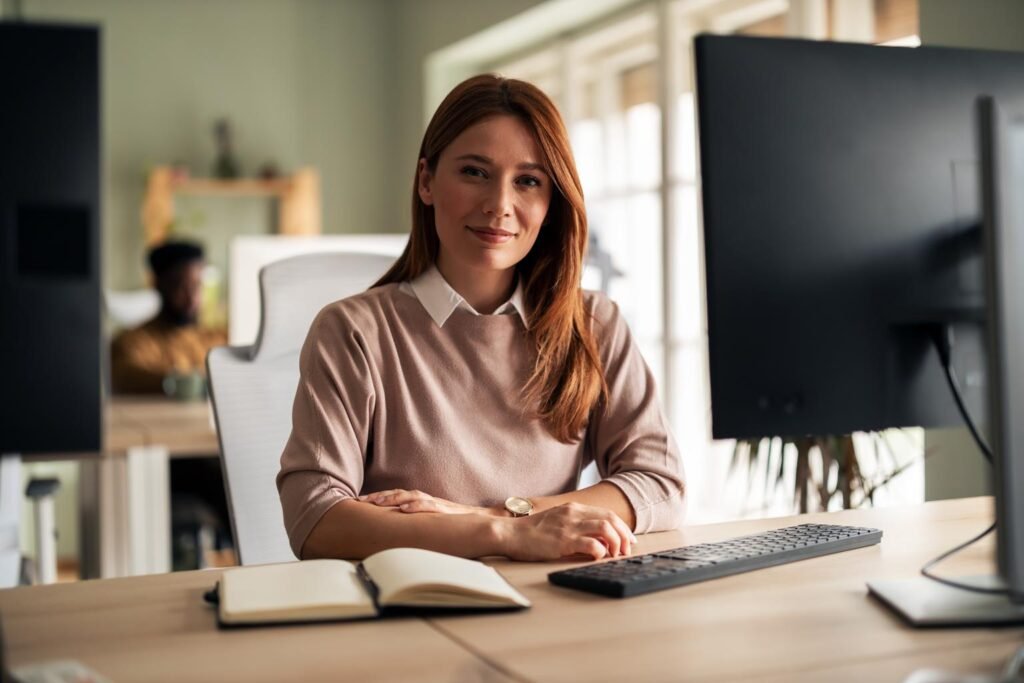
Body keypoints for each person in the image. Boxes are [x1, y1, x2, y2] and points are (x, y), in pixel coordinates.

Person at [277, 74, 686, 563]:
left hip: (558, 604)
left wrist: (505, 514)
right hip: (416, 616)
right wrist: (505, 534)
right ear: (426, 180)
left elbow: (660, 485)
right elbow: (315, 519)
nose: (499, 205)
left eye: (529, 181)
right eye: (474, 172)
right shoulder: (353, 332)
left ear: (551, 202)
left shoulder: (593, 324)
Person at [110, 240, 226, 394]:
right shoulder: (132, 343)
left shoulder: (218, 339)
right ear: (158, 284)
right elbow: (125, 376)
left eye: (197, 286)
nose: (192, 298)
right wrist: (179, 384)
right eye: (181, 286)